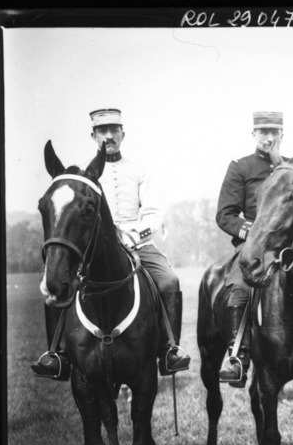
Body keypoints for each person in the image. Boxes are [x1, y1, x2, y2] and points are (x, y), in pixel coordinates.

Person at [32, 108, 190, 380]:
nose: (108, 136)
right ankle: (57, 354)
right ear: (93, 135)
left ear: (122, 134)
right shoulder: (83, 177)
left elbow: (154, 214)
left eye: (114, 130)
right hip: (97, 248)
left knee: (169, 280)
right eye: (102, 131)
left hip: (137, 243)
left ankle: (168, 350)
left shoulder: (139, 171)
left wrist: (132, 235)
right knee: (57, 279)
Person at [215, 111, 293, 387]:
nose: (268, 138)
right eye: (262, 132)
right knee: (239, 284)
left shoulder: (292, 169)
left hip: (290, 249)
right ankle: (237, 355)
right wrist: (253, 231)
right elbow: (225, 215)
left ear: (282, 135)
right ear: (254, 135)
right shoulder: (240, 168)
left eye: (274, 132)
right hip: (253, 246)